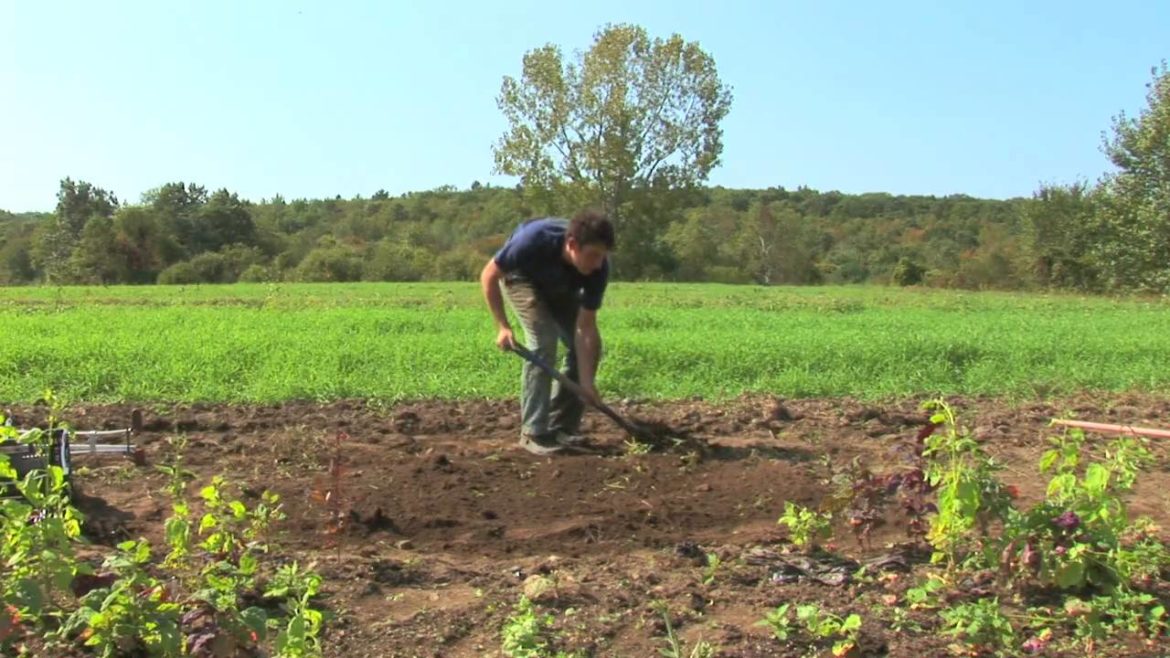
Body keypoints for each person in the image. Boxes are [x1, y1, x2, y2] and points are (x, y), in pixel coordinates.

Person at [480, 209, 615, 455]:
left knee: (585, 348)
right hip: (521, 278)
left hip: (560, 285)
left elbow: (585, 328)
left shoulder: (598, 269)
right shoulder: (533, 239)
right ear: (572, 244)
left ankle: (561, 428)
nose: (597, 264)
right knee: (544, 340)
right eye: (593, 255)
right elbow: (489, 275)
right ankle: (534, 432)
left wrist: (586, 383)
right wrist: (503, 326)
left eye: (602, 257)